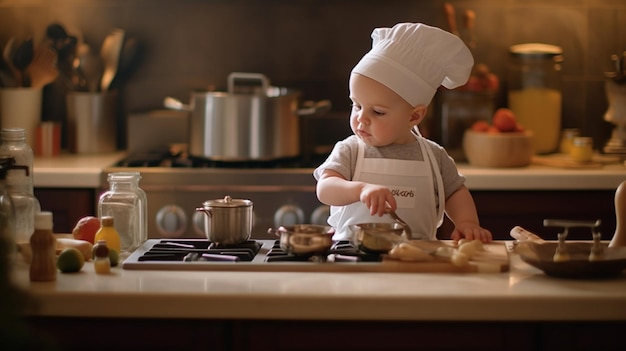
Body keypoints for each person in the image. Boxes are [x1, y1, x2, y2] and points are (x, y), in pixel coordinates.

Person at [313, 22, 492, 243]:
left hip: (417, 259)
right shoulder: (351, 150)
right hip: (353, 258)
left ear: (414, 116)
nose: (361, 118)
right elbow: (326, 188)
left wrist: (467, 223)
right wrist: (360, 190)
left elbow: (455, 192)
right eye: (356, 105)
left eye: (377, 111)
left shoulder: (434, 156)